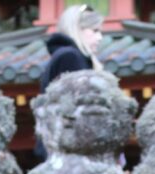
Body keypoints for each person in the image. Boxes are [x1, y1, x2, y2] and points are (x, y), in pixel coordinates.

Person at [35, 4, 104, 160]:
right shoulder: (70, 58)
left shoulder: (65, 56)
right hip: (68, 151)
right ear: (77, 30)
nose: (100, 38)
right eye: (95, 31)